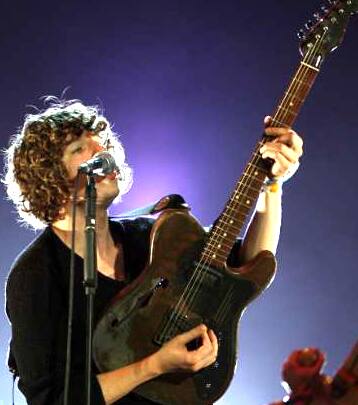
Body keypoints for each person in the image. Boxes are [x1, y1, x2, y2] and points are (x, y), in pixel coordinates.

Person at [4, 98, 303, 405]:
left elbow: (247, 266)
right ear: (47, 177)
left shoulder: (149, 236)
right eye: (80, 148)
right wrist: (154, 366)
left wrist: (272, 184)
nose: (102, 152)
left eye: (102, 142)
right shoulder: (34, 275)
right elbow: (50, 400)